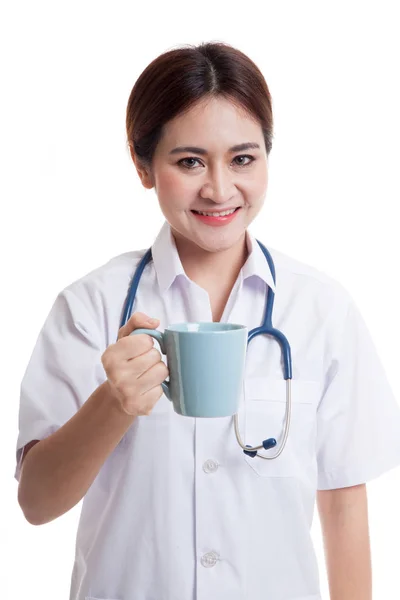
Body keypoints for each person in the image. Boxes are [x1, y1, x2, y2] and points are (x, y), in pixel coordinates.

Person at [15, 41, 400, 600]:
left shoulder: (322, 311)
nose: (220, 189)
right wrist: (113, 403)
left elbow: (343, 507)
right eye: (189, 161)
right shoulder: (89, 306)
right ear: (143, 165)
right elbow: (36, 503)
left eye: (243, 158)